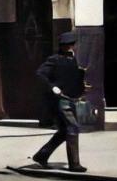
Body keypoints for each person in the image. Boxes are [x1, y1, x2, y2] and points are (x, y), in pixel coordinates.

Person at [32, 31, 88, 173]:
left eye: (71, 44)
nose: (69, 47)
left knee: (64, 131)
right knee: (73, 128)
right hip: (61, 100)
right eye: (66, 45)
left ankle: (41, 155)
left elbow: (71, 79)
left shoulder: (73, 60)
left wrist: (82, 87)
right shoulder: (54, 59)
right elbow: (40, 74)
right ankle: (74, 164)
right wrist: (53, 87)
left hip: (72, 98)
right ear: (61, 46)